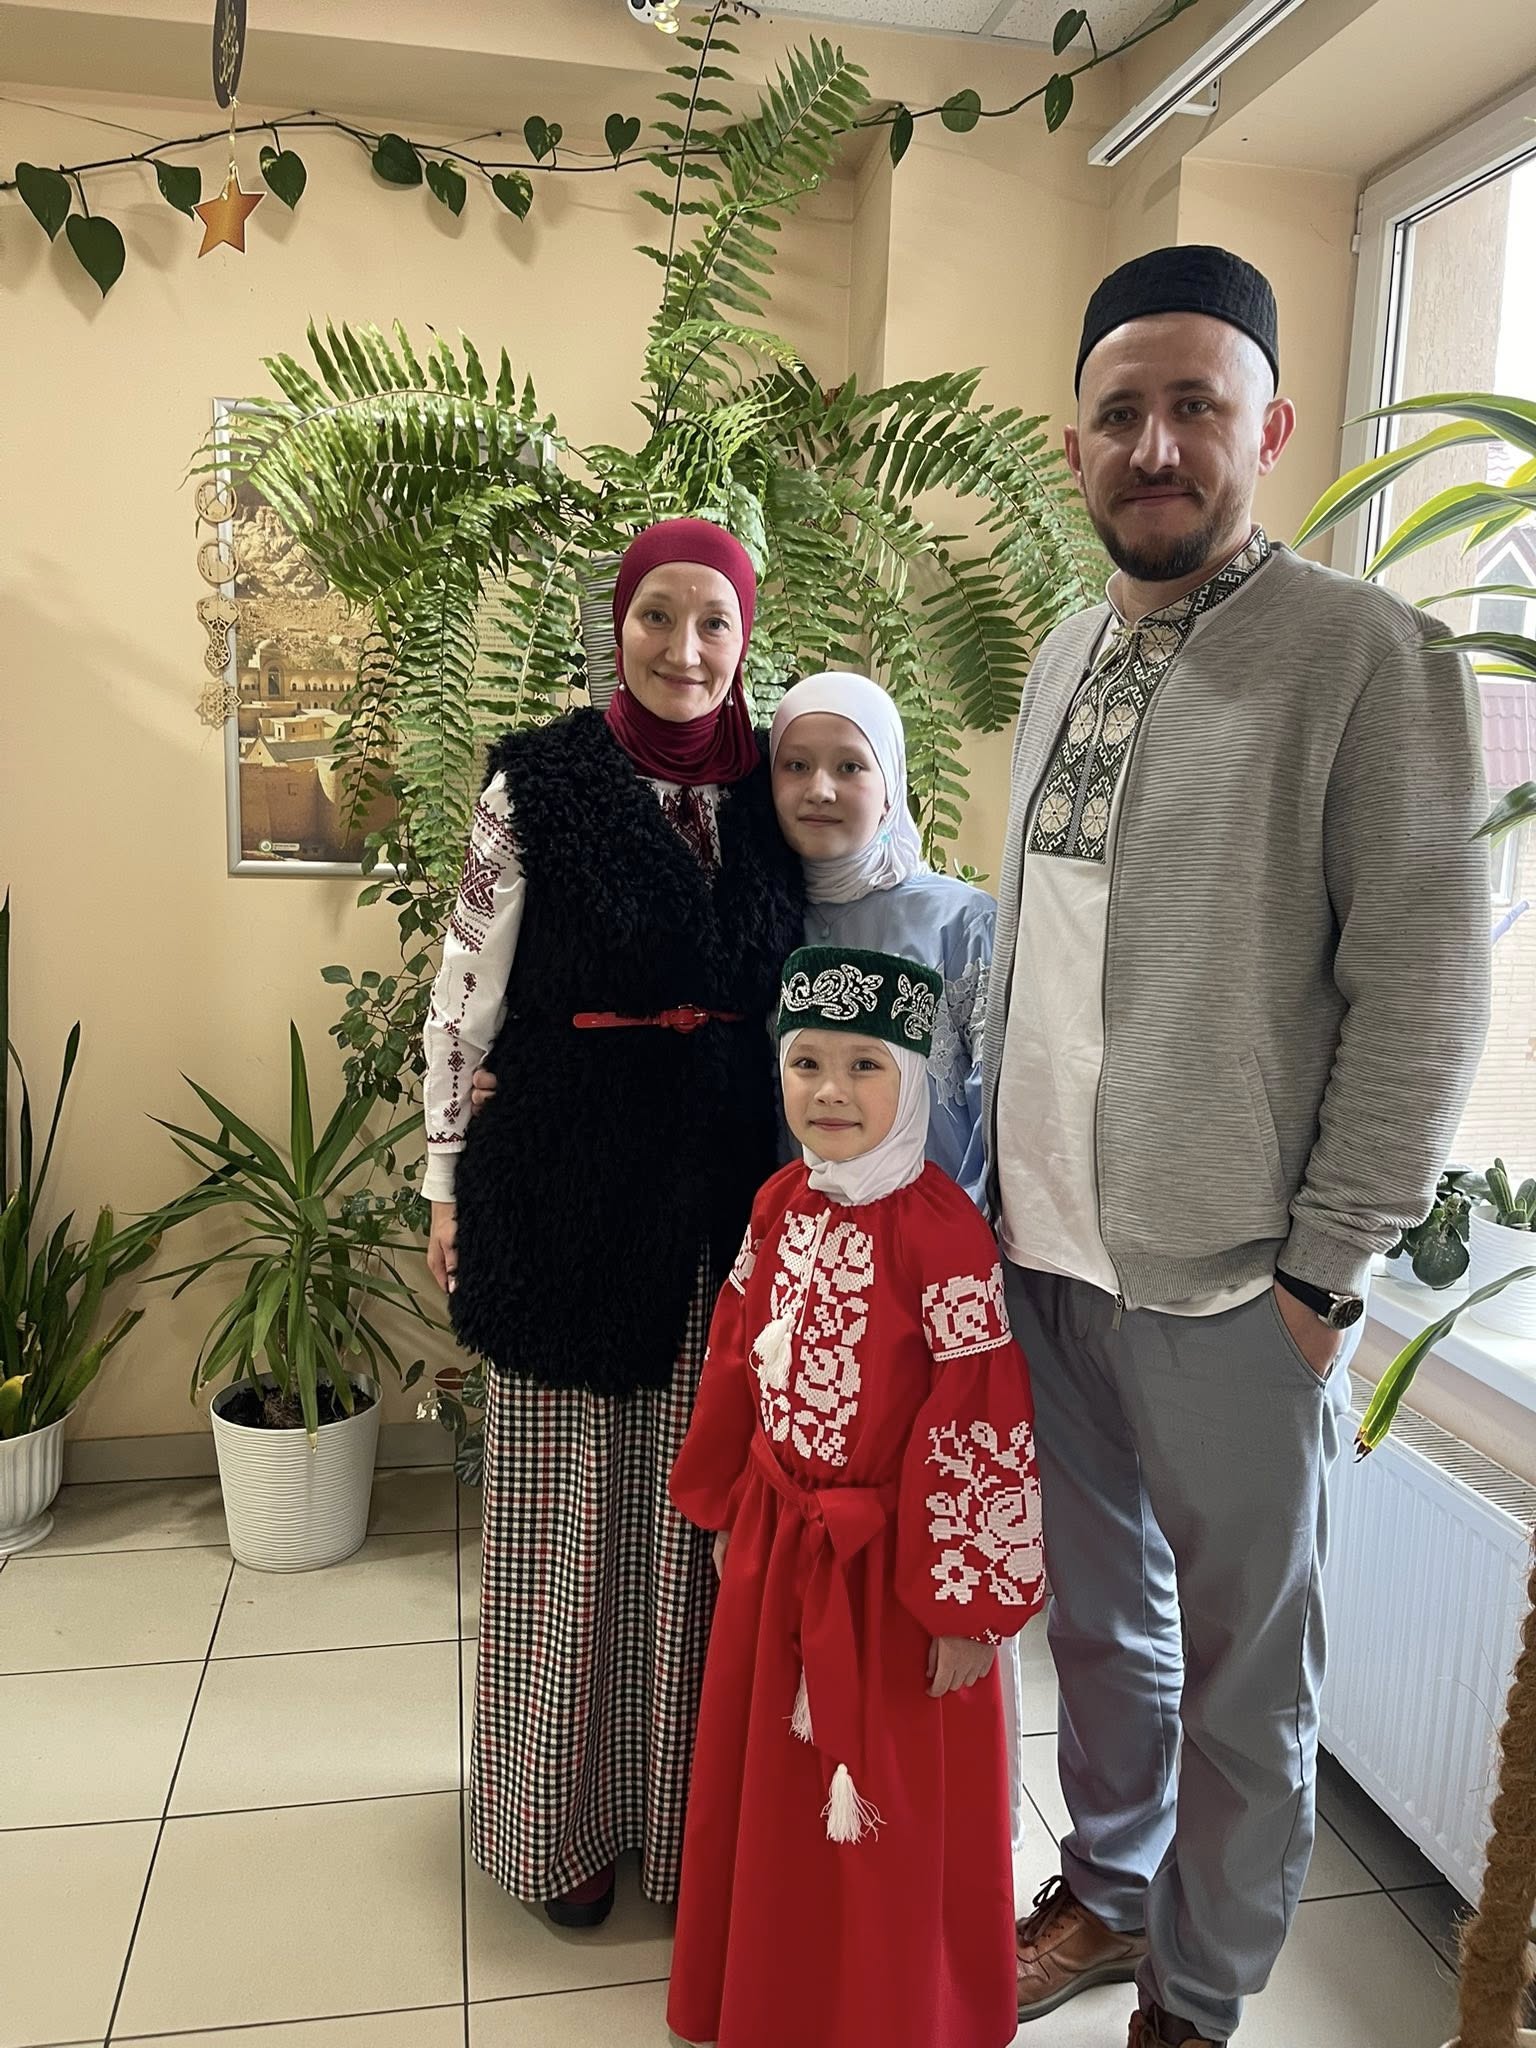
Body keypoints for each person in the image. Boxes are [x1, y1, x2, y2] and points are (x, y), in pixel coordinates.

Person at [988, 245, 1492, 2046]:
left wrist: (1323, 1271)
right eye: (1120, 411)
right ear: (1073, 444)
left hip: (1232, 1285)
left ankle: (1196, 1998)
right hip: (1048, 1253)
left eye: (1195, 405)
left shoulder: (1368, 658)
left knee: (1244, 1673)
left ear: (1267, 430)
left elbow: (1424, 991)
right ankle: (1109, 1891)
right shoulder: (1064, 653)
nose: (1155, 445)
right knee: (1099, 1627)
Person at [420, 517, 804, 1926]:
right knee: (572, 1519)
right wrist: (443, 1178)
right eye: (657, 616)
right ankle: (559, 1823)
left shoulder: (780, 782)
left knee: (698, 1529)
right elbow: (463, 992)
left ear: (744, 637)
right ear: (617, 624)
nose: (684, 649)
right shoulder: (539, 778)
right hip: (563, 1190)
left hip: (728, 1205)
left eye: (714, 622)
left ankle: (686, 1822)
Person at [667, 945, 1046, 2048]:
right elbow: (736, 1350)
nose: (831, 1091)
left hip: (898, 1578)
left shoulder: (947, 1234)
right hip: (780, 1544)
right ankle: (777, 1996)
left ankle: (892, 2011)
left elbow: (981, 1413)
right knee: (776, 1785)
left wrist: (967, 1608)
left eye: (865, 1065)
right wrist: (728, 1500)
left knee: (890, 1797)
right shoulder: (776, 1203)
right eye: (808, 1064)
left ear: (913, 1078)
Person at [768, 672, 994, 1207]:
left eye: (850, 766)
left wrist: (962, 1232)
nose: (820, 790)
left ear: (891, 782)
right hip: (805, 1241)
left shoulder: (961, 922)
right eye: (796, 765)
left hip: (941, 1236)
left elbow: (1003, 1111)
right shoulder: (763, 925)